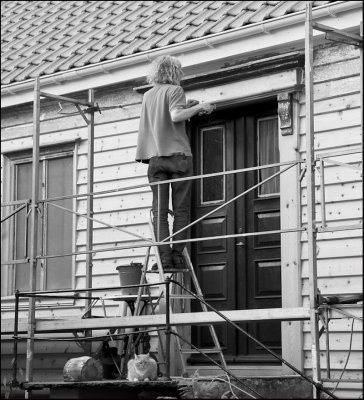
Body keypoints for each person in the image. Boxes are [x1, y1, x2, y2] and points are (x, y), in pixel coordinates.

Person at [136, 55, 215, 270]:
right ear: (173, 72)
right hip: (178, 156)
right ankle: (177, 256)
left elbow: (163, 117)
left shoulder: (148, 96)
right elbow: (176, 116)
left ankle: (163, 258)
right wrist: (200, 108)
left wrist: (186, 107)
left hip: (155, 158)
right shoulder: (175, 90)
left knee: (160, 211)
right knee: (181, 210)